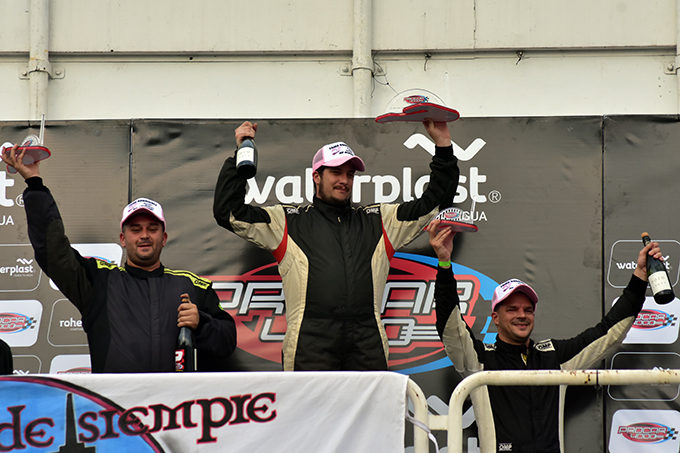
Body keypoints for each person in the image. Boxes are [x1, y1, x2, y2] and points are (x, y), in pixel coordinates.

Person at [214, 120, 460, 371]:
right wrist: (240, 156)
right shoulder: (287, 221)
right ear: (316, 176)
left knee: (372, 400)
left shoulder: (378, 220)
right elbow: (229, 213)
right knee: (309, 400)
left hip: (367, 340)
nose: (344, 180)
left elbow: (434, 203)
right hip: (310, 340)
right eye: (336, 172)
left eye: (350, 174)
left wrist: (443, 144)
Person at [428, 218, 662, 453]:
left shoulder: (553, 356)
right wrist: (444, 265)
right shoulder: (480, 359)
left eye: (528, 310)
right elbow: (451, 326)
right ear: (495, 318)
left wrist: (640, 277)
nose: (522, 315)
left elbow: (608, 333)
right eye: (512, 309)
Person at [2, 145, 237, 373]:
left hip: (174, 401)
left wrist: (202, 324)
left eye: (152, 228)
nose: (144, 235)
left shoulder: (192, 286)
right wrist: (35, 184)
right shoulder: (99, 281)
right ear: (123, 239)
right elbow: (53, 252)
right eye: (135, 229)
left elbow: (227, 342)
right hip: (113, 401)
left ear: (164, 238)